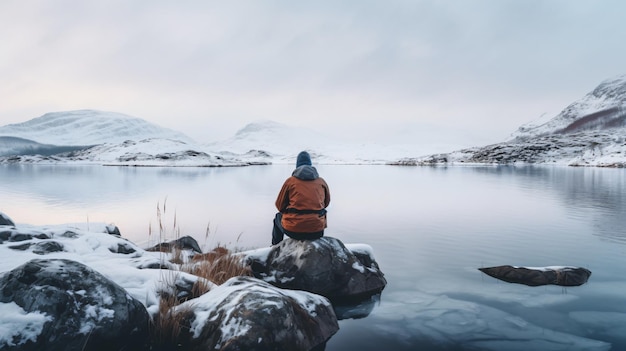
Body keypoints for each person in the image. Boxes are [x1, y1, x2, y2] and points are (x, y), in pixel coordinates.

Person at [272, 151, 330, 245]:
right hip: (317, 231)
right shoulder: (321, 181)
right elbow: (326, 203)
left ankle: (275, 247)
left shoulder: (290, 181)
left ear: (297, 165)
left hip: (294, 231)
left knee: (278, 217)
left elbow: (279, 205)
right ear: (310, 165)